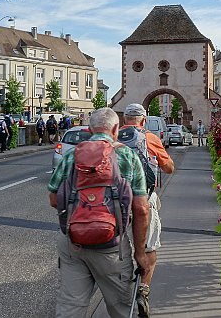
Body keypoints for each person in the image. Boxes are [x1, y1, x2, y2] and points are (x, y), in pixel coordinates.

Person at [47, 107, 150, 318]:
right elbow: (140, 209)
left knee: (70, 306)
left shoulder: (71, 156)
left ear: (90, 130)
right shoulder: (128, 156)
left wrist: (82, 215)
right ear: (115, 129)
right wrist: (140, 252)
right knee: (121, 307)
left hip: (73, 241)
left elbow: (54, 199)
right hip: (112, 247)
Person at [121, 103, 175, 318]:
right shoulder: (150, 138)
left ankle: (120, 291)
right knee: (148, 250)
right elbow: (169, 167)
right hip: (144, 200)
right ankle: (143, 290)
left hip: (116, 201)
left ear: (125, 119)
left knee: (116, 246)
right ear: (143, 120)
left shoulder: (114, 137)